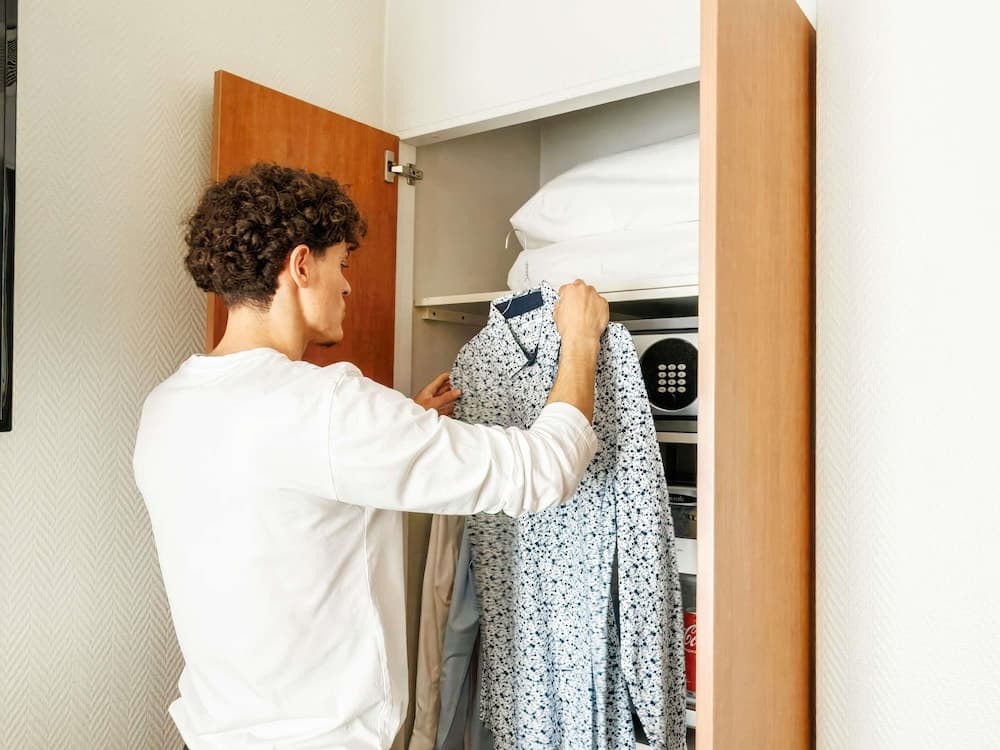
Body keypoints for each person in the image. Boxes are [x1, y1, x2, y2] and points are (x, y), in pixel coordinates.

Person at [133, 163, 609, 750]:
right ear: (301, 265)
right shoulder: (327, 407)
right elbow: (544, 470)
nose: (348, 286)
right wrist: (580, 341)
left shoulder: (168, 404)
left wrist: (405, 422)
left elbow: (282, 494)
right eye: (342, 264)